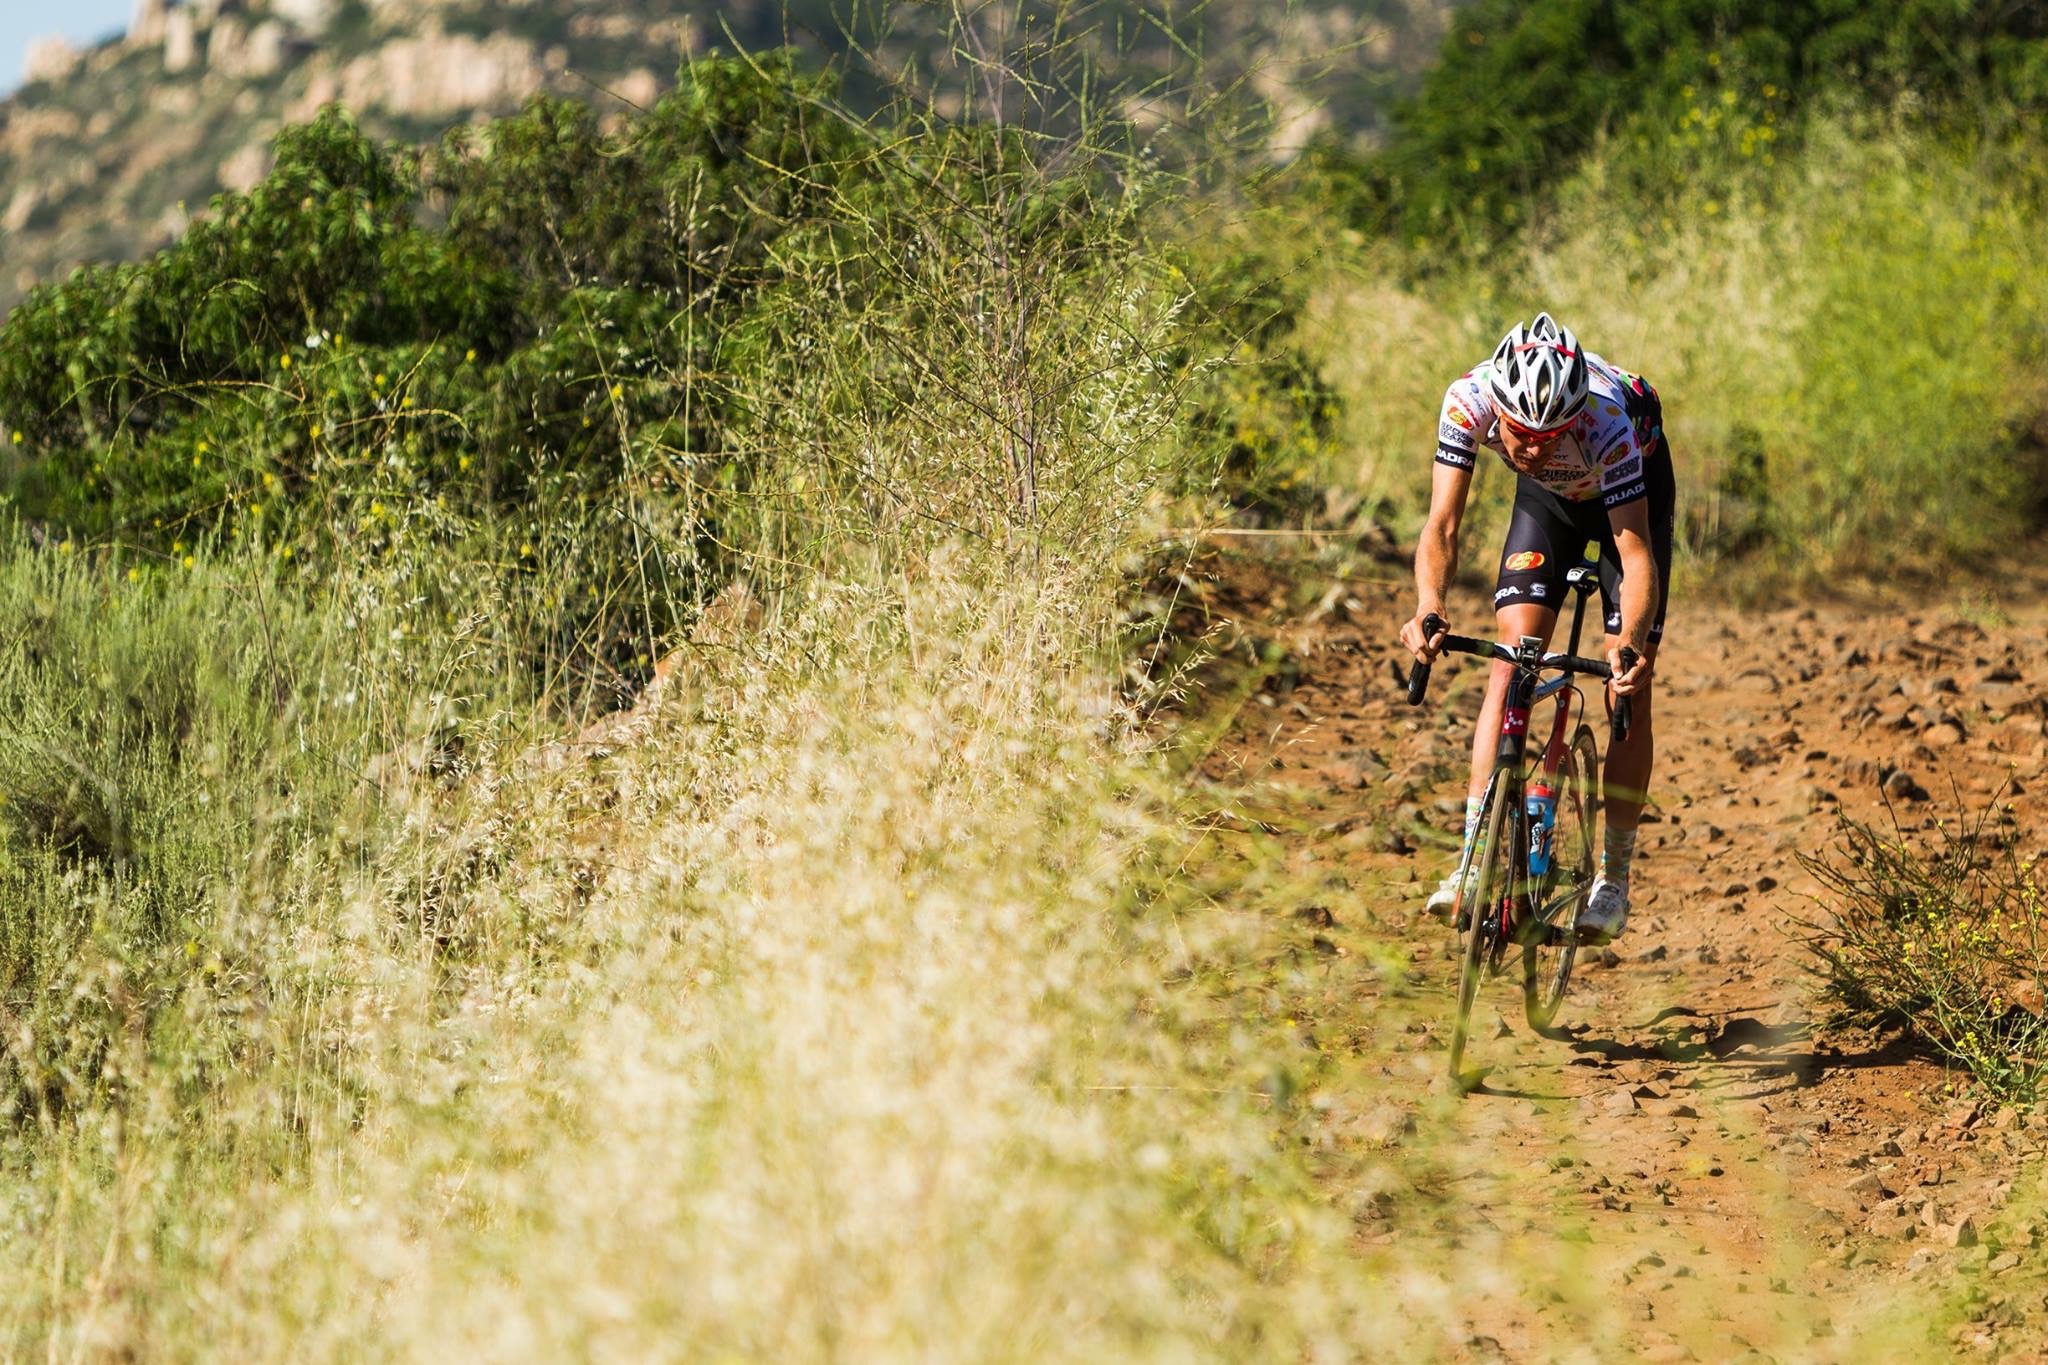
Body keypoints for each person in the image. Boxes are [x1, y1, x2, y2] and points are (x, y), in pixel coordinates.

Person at [1397, 313, 1672, 944]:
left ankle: (1613, 880)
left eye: (1552, 436)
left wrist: (1629, 643)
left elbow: (1635, 557)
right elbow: (1442, 525)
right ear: (1499, 407)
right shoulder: (1467, 401)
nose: (1532, 449)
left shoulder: (1609, 424)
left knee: (1626, 683)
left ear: (1576, 416)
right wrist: (1429, 605)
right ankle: (1472, 860)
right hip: (1548, 505)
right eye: (1521, 434)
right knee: (1511, 660)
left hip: (1624, 503)